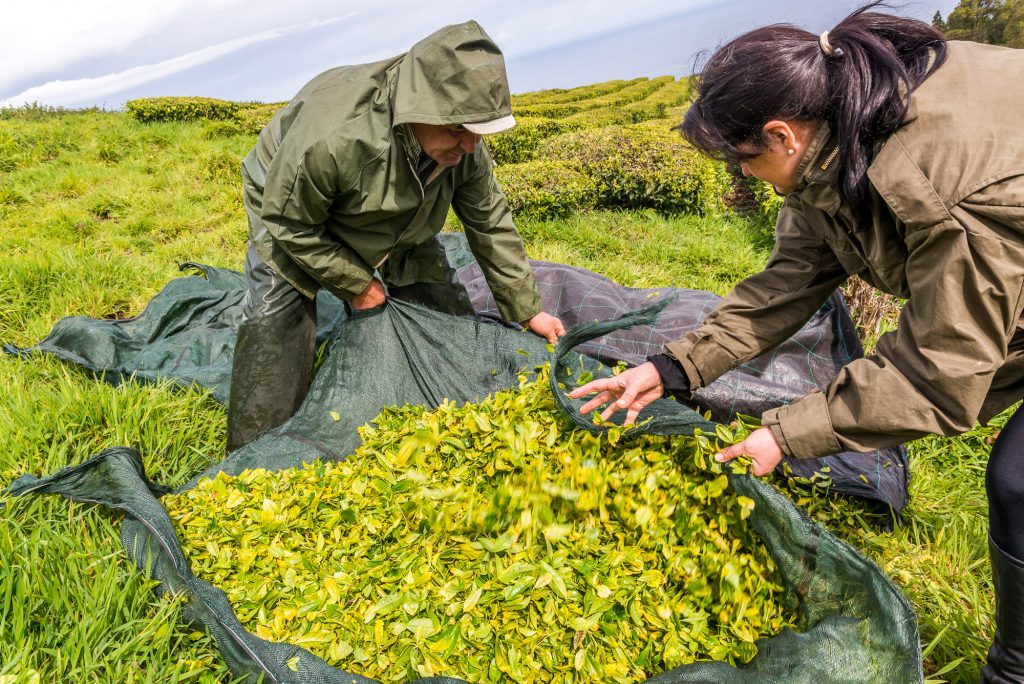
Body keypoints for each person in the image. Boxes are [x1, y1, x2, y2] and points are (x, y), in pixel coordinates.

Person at [570, 4, 1024, 680]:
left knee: (1018, 483)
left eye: (745, 161)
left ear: (781, 134)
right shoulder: (837, 133)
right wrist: (671, 368)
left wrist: (783, 435)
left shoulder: (940, 182)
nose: (745, 178)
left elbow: (938, 370)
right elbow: (789, 280)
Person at [228, 20, 565, 453]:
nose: (468, 145)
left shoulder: (462, 145)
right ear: (420, 110)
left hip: (398, 205)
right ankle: (260, 454)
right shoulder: (334, 137)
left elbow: (490, 220)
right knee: (276, 320)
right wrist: (356, 284)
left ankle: (444, 396)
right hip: (290, 203)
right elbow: (289, 222)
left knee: (438, 304)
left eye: (477, 132)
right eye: (458, 130)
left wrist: (526, 309)